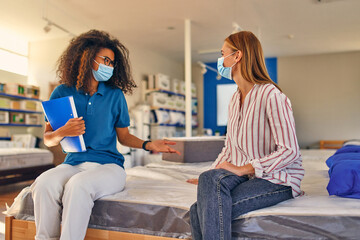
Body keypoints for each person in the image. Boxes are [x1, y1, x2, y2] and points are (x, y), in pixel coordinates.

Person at [31, 30, 180, 240]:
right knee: (44, 182)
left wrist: (149, 145)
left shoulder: (115, 95)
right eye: (105, 60)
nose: (109, 66)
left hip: (109, 167)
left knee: (78, 185)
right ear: (87, 56)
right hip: (73, 163)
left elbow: (124, 137)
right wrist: (63, 132)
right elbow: (48, 139)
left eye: (112, 63)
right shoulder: (62, 92)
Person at [188, 31, 304, 240]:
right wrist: (210, 176)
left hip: (278, 179)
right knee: (208, 183)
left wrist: (242, 169)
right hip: (249, 177)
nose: (221, 60)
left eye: (223, 54)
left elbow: (290, 151)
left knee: (200, 210)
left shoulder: (272, 95)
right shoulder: (234, 100)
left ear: (237, 56)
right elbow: (229, 148)